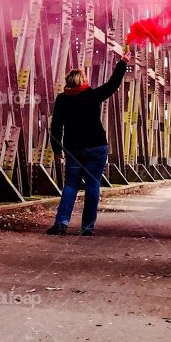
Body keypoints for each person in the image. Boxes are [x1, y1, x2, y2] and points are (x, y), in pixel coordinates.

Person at [46, 55, 129, 236]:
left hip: (73, 149)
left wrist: (57, 149)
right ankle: (87, 228)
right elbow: (112, 85)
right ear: (82, 80)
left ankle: (61, 224)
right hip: (97, 147)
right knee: (93, 185)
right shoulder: (91, 95)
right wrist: (122, 63)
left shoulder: (62, 99)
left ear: (68, 82)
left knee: (70, 185)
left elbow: (56, 126)